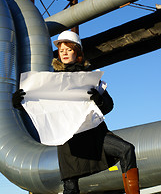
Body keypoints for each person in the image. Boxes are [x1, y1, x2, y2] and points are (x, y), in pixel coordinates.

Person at [12, 30, 140, 194]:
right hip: (69, 139)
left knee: (126, 149)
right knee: (71, 187)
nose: (64, 53)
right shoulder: (50, 81)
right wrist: (20, 103)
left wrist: (99, 100)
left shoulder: (90, 78)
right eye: (61, 50)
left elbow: (109, 106)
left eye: (69, 49)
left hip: (95, 135)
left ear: (77, 52)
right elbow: (40, 107)